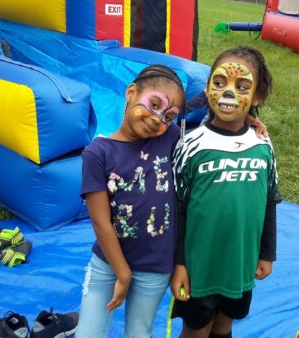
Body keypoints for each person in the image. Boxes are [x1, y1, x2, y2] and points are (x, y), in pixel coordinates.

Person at [170, 46, 281, 338]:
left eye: (241, 86)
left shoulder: (262, 145)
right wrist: (179, 263)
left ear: (256, 96)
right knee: (197, 329)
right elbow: (178, 208)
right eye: (219, 83)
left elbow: (270, 200)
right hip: (199, 267)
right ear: (207, 89)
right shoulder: (191, 144)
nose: (228, 93)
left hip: (240, 265)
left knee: (224, 324)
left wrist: (267, 253)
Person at [76, 65, 186, 338]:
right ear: (131, 92)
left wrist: (250, 121)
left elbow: (215, 120)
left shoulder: (170, 138)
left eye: (168, 116)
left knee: (139, 333)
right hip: (107, 264)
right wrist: (122, 273)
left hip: (155, 266)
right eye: (154, 104)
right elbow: (101, 222)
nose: (158, 119)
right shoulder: (97, 153)